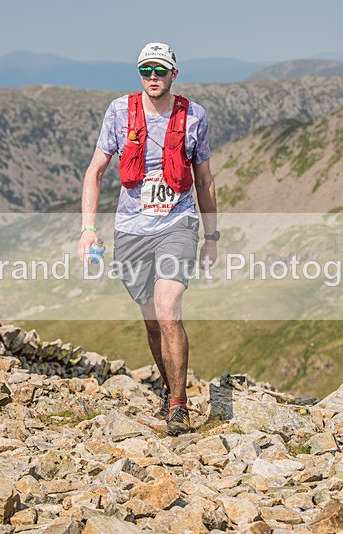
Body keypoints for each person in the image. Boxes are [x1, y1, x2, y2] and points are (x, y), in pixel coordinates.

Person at [77, 42, 218, 436]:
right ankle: (168, 387)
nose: (152, 77)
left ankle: (178, 405)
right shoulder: (119, 112)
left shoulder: (194, 117)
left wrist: (212, 236)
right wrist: (88, 230)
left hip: (178, 223)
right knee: (153, 320)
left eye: (160, 70)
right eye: (145, 71)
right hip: (131, 229)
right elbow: (95, 172)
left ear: (175, 73)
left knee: (168, 306)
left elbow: (205, 180)